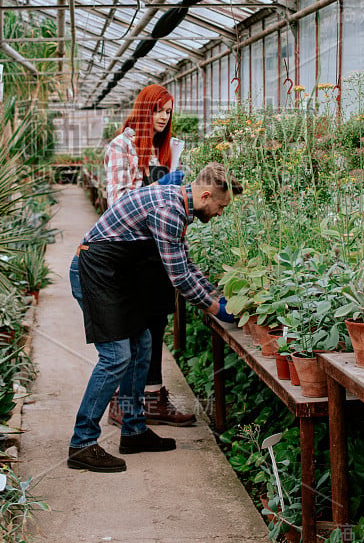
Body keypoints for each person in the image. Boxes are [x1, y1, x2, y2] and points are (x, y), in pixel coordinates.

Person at [67, 162, 243, 473]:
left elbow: (185, 263)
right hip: (94, 272)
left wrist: (215, 294)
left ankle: (133, 431)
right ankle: (82, 443)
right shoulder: (168, 210)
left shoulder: (177, 204)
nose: (220, 213)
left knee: (142, 344)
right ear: (206, 195)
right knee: (115, 356)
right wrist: (217, 309)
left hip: (116, 277)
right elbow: (179, 278)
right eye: (220, 205)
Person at [104, 83, 195, 428]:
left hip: (155, 251)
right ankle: (122, 403)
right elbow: (118, 204)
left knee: (156, 323)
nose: (164, 117)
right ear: (145, 109)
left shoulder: (161, 151)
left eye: (169, 112)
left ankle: (152, 397)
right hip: (130, 253)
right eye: (159, 110)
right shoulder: (121, 147)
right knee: (134, 329)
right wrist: (160, 187)